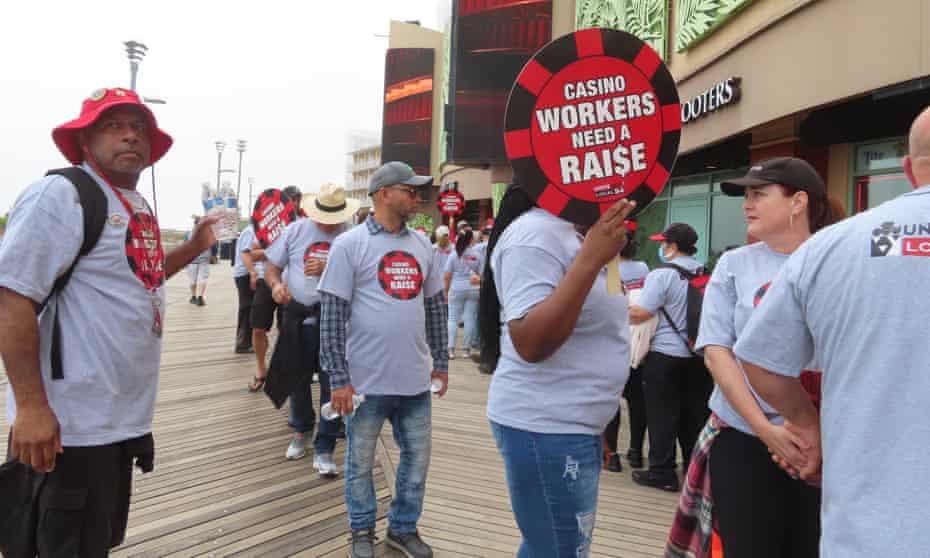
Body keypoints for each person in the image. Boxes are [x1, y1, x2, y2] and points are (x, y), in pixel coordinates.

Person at [0, 87, 216, 556]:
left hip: (117, 420)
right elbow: (11, 297)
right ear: (83, 140)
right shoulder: (61, 194)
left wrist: (194, 247)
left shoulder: (131, 204)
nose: (130, 136)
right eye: (112, 126)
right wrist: (32, 408)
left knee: (93, 541)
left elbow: (143, 278)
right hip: (67, 426)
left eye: (139, 128)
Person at [734, 108, 930, 558]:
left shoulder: (831, 247)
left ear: (907, 168)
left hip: (866, 535)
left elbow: (760, 358)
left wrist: (806, 424)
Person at [666, 157, 843, 558]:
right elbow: (716, 352)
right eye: (745, 195)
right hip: (743, 437)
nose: (748, 204)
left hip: (828, 443)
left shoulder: (838, 259)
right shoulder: (734, 264)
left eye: (759, 195)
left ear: (798, 202)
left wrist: (809, 434)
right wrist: (767, 430)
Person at [479, 184, 635, 557]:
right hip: (545, 424)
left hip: (570, 424)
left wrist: (594, 423)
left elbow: (599, 327)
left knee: (555, 547)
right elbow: (531, 342)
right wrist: (590, 259)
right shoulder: (535, 236)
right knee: (558, 549)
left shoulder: (581, 233)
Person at [318, 161, 448, 558]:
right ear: (383, 193)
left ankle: (403, 528)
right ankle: (361, 530)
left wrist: (441, 361)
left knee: (417, 460)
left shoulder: (423, 245)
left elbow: (435, 308)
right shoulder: (349, 245)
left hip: (414, 380)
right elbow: (332, 316)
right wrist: (338, 378)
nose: (418, 197)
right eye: (410, 190)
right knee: (360, 461)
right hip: (364, 382)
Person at [264, 185, 357, 475]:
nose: (326, 224)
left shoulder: (353, 235)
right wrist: (276, 286)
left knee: (334, 382)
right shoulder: (295, 230)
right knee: (296, 377)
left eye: (333, 218)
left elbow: (365, 274)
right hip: (298, 313)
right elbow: (271, 266)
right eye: (322, 216)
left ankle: (325, 445)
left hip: (337, 318)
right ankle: (301, 429)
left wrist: (332, 266)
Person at [628, 223, 713, 492]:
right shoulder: (706, 273)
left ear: (673, 246)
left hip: (665, 356)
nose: (662, 248)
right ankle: (693, 470)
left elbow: (642, 313)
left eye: (664, 244)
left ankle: (662, 472)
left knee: (662, 415)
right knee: (694, 415)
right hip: (698, 356)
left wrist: (618, 307)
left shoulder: (662, 275)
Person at [603, 228, 650, 472]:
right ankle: (635, 452)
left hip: (616, 342)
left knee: (612, 403)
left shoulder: (611, 269)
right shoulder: (643, 268)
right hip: (640, 343)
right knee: (637, 402)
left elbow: (612, 304)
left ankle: (612, 456)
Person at [244, 186, 298, 392]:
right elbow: (252, 254)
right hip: (267, 282)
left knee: (287, 330)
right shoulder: (267, 229)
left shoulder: (301, 226)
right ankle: (260, 369)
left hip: (291, 283)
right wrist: (274, 249)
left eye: (296, 200)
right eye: (291, 200)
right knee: (257, 327)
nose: (294, 204)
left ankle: (283, 371)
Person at [443, 227, 482, 360]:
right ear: (471, 239)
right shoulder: (477, 255)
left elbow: (447, 275)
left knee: (453, 319)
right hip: (473, 289)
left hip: (456, 289)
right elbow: (481, 274)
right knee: (469, 318)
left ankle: (451, 350)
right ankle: (466, 350)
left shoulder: (454, 255)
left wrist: (445, 291)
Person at [233, 225, 256, 353]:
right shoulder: (250, 231)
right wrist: (252, 272)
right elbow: (245, 253)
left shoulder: (252, 230)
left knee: (248, 308)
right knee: (246, 309)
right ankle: (242, 343)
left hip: (246, 274)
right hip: (245, 274)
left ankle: (246, 341)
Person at [185, 215, 212, 306]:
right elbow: (213, 245)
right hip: (204, 259)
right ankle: (200, 297)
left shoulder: (188, 234)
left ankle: (193, 297)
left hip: (192, 260)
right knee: (202, 278)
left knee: (192, 280)